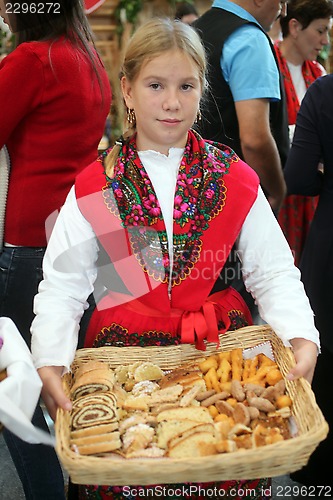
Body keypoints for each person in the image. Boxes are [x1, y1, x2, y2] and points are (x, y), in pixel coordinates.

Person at [31, 17, 319, 500]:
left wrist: (300, 336)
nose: (171, 101)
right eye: (155, 85)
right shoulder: (100, 185)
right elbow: (63, 288)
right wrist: (50, 361)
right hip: (124, 379)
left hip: (218, 367)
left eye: (186, 86)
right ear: (127, 89)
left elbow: (272, 271)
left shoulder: (233, 177)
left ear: (202, 90)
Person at [0, 0, 112, 498]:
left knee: (17, 389)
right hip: (83, 233)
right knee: (70, 376)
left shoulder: (31, 60)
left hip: (27, 240)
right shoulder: (85, 56)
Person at [283, 74, 333, 488]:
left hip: (330, 240)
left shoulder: (324, 91)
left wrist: (324, 180)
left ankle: (317, 468)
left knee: (327, 355)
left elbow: (297, 176)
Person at [193, 0, 289, 214]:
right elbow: (255, 139)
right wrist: (278, 189)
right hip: (238, 195)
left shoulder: (193, 31)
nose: (283, 11)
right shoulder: (250, 39)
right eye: (281, 1)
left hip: (192, 190)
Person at [274, 0, 333, 266]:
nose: (325, 40)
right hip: (279, 182)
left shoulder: (318, 73)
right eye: (320, 31)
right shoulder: (269, 64)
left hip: (312, 192)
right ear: (295, 27)